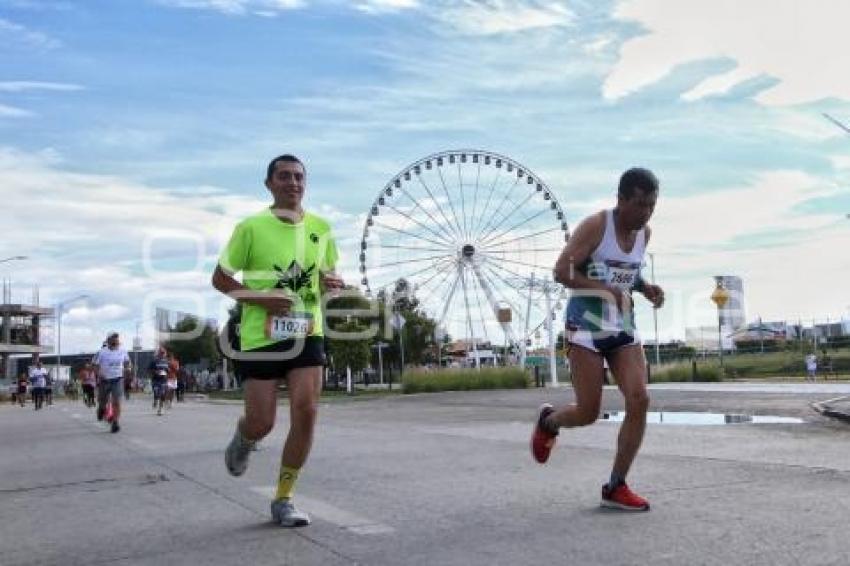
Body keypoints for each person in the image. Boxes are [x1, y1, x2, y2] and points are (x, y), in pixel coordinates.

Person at [211, 154, 344, 527]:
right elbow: (220, 279)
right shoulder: (251, 227)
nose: (293, 183)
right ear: (269, 183)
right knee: (262, 422)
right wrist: (260, 299)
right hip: (260, 337)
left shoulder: (322, 228)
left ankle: (283, 499)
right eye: (284, 176)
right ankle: (244, 439)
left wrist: (332, 285)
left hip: (307, 332)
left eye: (299, 177)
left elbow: (327, 280)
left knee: (307, 411)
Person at [531, 167, 665, 512]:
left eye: (652, 205)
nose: (646, 212)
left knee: (640, 398)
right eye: (639, 204)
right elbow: (561, 271)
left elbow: (627, 272)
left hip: (621, 326)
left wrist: (644, 287)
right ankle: (549, 423)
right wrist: (603, 290)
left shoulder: (643, 234)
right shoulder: (596, 226)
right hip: (586, 327)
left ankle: (616, 485)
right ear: (620, 199)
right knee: (589, 412)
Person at [93, 332, 132, 433]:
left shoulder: (123, 350)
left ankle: (115, 422)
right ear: (108, 340)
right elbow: (95, 365)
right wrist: (99, 373)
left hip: (118, 379)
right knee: (102, 402)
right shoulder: (101, 352)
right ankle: (101, 410)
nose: (116, 341)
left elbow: (127, 362)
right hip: (104, 380)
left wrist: (128, 369)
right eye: (114, 339)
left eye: (117, 339)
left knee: (117, 402)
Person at [149, 347, 170, 416]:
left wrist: (167, 371)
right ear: (158, 353)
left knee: (163, 394)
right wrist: (156, 372)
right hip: (155, 380)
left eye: (163, 353)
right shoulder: (154, 361)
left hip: (164, 380)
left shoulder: (166, 361)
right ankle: (155, 400)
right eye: (161, 353)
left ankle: (160, 409)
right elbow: (149, 370)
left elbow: (168, 370)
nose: (162, 354)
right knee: (157, 394)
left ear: (165, 354)